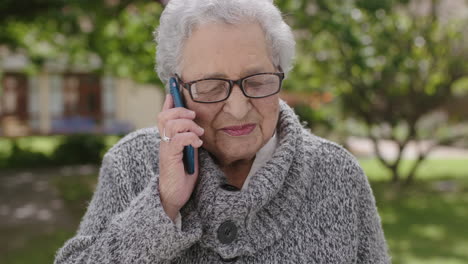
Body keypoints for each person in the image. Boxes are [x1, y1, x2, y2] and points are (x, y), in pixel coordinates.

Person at [54, 0, 391, 263]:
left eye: (257, 81)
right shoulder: (131, 163)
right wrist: (164, 202)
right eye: (212, 87)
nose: (239, 108)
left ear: (281, 73)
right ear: (175, 90)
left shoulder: (338, 173)